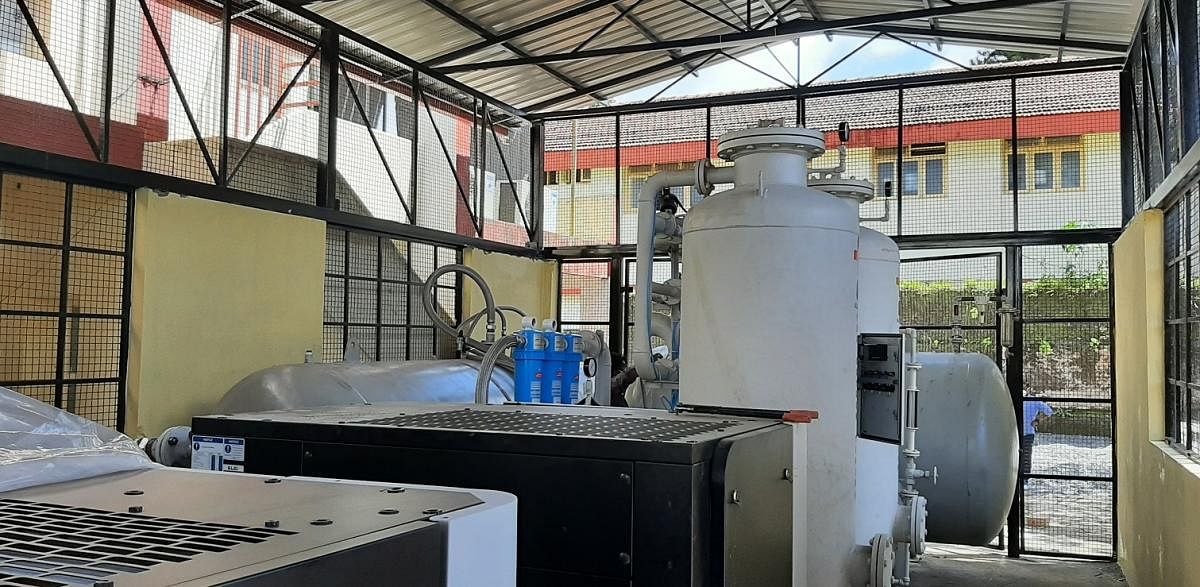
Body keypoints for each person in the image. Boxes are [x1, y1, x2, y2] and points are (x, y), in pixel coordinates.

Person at [1021, 399, 1054, 476]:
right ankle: (1025, 477)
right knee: (1026, 455)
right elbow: (1049, 412)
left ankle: (1022, 477)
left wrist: (1037, 420)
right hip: (1027, 432)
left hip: (1019, 432)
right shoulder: (1036, 401)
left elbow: (1050, 412)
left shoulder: (1035, 401)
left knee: (1020, 455)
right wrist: (1038, 420)